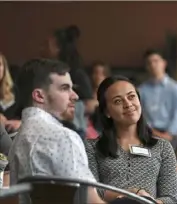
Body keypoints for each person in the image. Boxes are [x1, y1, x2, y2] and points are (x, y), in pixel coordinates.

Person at [8, 59, 104, 204]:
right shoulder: (64, 137)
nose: (75, 96)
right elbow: (89, 201)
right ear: (39, 96)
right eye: (65, 88)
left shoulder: (17, 140)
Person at [85, 75, 177, 204]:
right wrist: (132, 194)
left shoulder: (163, 147)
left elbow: (170, 198)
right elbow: (91, 192)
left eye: (131, 97)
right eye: (118, 101)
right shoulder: (92, 148)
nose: (128, 104)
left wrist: (147, 201)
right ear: (107, 111)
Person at [41, 25, 95, 139]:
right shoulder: (42, 72)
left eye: (47, 45)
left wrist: (66, 106)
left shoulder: (77, 74)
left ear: (58, 48)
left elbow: (91, 104)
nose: (42, 48)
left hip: (74, 129)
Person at [138, 49, 177, 141]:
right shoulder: (141, 90)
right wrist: (152, 131)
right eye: (149, 63)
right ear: (146, 67)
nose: (153, 65)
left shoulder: (176, 88)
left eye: (156, 61)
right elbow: (141, 114)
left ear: (164, 63)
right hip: (149, 133)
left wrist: (170, 133)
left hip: (172, 135)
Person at [0, 53, 21, 133]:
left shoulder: (16, 90)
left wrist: (20, 123)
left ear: (4, 68)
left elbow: (28, 113)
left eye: (0, 64)